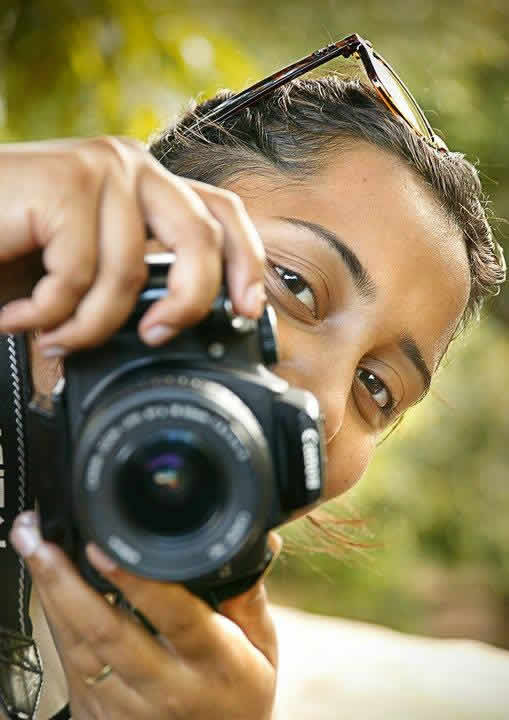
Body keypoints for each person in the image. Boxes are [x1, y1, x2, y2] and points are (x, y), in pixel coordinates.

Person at [0, 34, 505, 720]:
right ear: (134, 228)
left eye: (376, 387)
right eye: (293, 283)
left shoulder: (181, 671)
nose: (324, 404)